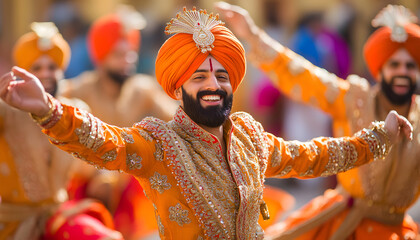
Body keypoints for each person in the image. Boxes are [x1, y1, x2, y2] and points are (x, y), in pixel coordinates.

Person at [0, 7, 412, 239]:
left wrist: (381, 135)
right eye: (199, 77)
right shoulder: (157, 142)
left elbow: (315, 156)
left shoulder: (250, 136)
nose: (213, 85)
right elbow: (103, 142)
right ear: (178, 88)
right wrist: (49, 109)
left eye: (221, 76)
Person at [215, 2, 420, 239]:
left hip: (397, 231)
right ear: (380, 70)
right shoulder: (355, 99)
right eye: (394, 65)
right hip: (341, 224)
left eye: (410, 66)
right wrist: (252, 34)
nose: (402, 72)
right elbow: (302, 75)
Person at [59, 6, 178, 239]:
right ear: (101, 58)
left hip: (131, 186)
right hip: (86, 187)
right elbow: (54, 127)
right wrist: (95, 174)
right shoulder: (78, 90)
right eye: (119, 55)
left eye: (130, 54)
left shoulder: (143, 90)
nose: (127, 61)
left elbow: (177, 121)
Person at [0, 22, 122, 239]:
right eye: (37, 68)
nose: (46, 74)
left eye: (52, 67)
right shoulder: (7, 109)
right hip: (13, 226)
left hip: (59, 218)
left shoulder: (74, 110)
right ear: (25, 74)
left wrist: (102, 176)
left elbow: (90, 159)